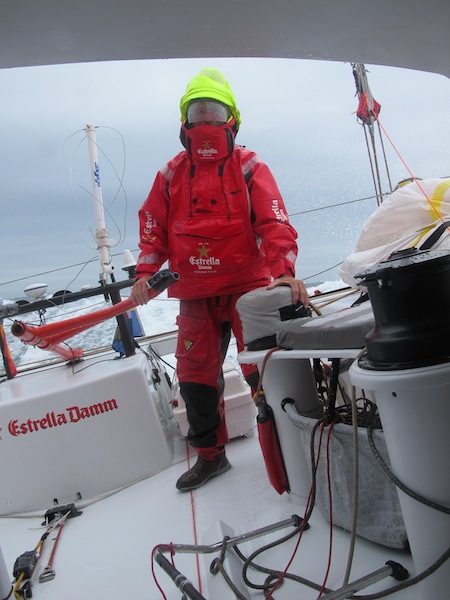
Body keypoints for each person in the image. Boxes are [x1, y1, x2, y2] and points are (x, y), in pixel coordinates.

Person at [131, 68, 309, 492]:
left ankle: (292, 450)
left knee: (264, 372)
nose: (206, 119)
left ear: (232, 118)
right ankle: (211, 457)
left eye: (214, 110)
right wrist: (144, 273)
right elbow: (153, 229)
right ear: (184, 120)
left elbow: (274, 223)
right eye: (198, 111)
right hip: (195, 295)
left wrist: (284, 273)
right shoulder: (170, 174)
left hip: (249, 291)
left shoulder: (250, 166)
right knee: (194, 378)